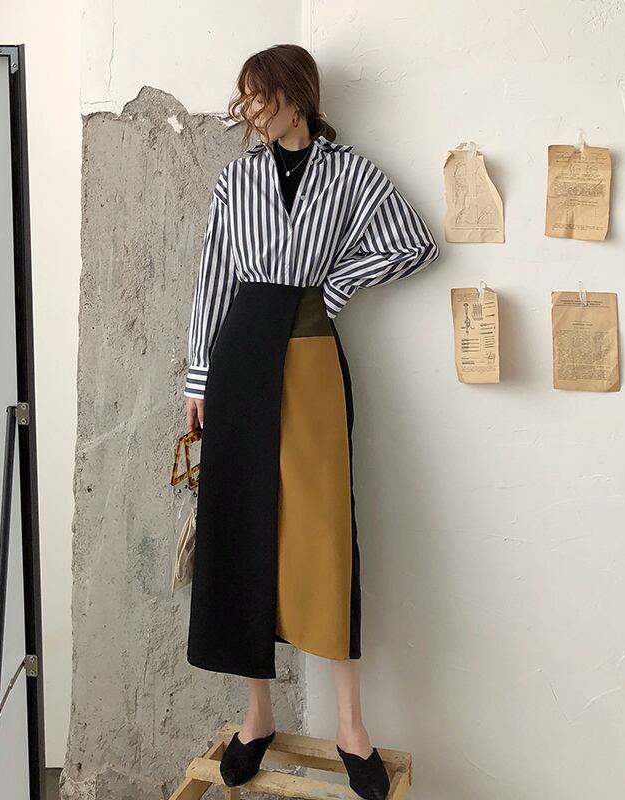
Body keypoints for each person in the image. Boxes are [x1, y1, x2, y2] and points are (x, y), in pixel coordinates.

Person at [182, 44, 439, 800]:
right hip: (238, 358)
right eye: (245, 99)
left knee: (324, 530)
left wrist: (331, 287)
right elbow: (213, 277)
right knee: (242, 526)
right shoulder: (237, 178)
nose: (250, 111)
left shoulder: (350, 173)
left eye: (259, 97)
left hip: (311, 354)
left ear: (296, 96)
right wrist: (197, 378)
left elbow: (416, 243)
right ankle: (256, 716)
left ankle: (351, 727)